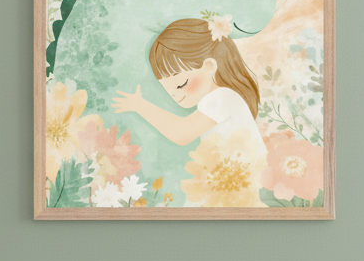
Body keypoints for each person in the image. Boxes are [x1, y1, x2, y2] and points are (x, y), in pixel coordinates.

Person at [111, 17, 267, 156]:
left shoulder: (220, 97)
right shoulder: (225, 97)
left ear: (209, 65)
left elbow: (182, 133)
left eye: (181, 85)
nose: (174, 94)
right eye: (168, 89)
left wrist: (141, 106)